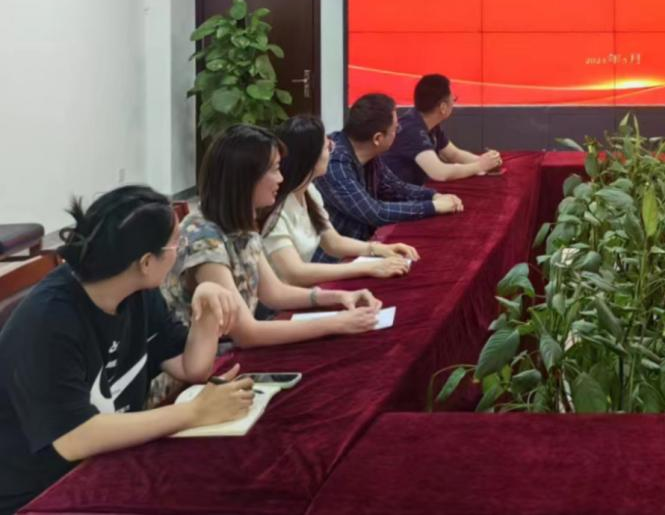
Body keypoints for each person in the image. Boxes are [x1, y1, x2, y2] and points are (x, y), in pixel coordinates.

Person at [0, 187, 253, 515]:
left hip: (107, 461)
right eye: (175, 244)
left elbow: (191, 368)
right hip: (41, 492)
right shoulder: (49, 321)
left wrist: (206, 304)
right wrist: (193, 412)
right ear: (146, 262)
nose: (181, 251)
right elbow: (73, 438)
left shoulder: (137, 292)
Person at [162, 124, 383, 357]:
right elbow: (247, 333)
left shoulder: (241, 220)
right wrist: (336, 323)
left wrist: (337, 297)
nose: (281, 178)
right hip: (204, 361)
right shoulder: (204, 237)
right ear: (247, 177)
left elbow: (274, 292)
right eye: (275, 169)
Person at [262, 115, 420, 287]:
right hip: (284, 299)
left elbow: (332, 242)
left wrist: (379, 249)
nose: (332, 149)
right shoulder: (274, 207)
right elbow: (294, 273)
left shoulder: (309, 191)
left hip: (303, 291)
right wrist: (368, 267)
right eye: (327, 147)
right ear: (310, 158)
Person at [316, 93, 464, 250]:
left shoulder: (366, 150)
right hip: (335, 258)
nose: (398, 132)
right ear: (377, 138)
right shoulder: (335, 163)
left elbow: (395, 186)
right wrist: (432, 207)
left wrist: (433, 196)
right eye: (395, 129)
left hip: (364, 246)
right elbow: (374, 212)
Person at [382, 74, 501, 185]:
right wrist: (479, 166)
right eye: (453, 99)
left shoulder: (426, 121)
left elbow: (453, 154)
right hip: (394, 193)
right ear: (443, 107)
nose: (454, 104)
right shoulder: (412, 130)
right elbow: (440, 172)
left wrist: (487, 162)